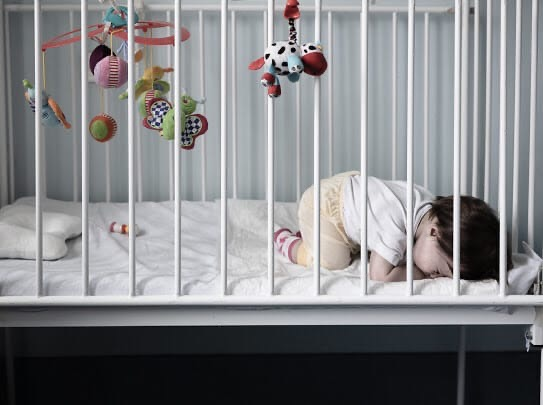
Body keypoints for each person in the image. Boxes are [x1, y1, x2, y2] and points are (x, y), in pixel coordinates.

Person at [274, 172, 512, 282]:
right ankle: (289, 242)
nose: (435, 276)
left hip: (344, 194)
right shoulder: (396, 228)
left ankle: (314, 235)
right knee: (334, 261)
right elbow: (379, 275)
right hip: (324, 207)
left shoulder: (427, 207)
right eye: (440, 269)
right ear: (433, 233)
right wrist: (419, 274)